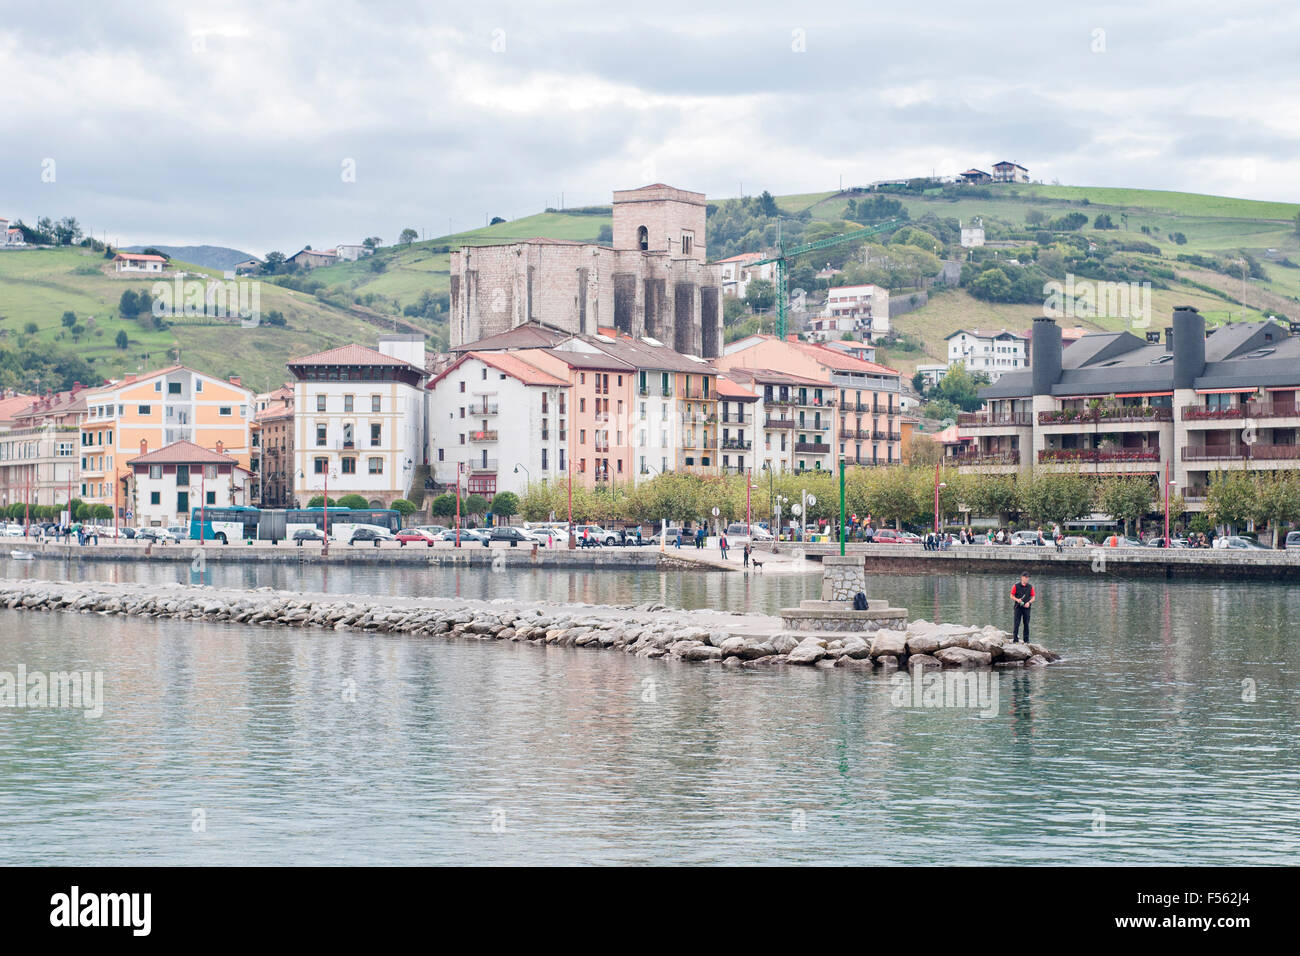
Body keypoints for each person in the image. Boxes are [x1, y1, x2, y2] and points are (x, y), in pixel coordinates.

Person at [1011, 572, 1035, 643]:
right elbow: (1011, 596)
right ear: (1022, 577)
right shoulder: (1016, 586)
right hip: (1018, 607)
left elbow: (1033, 598)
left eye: (1028, 577)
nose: (1027, 579)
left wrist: (1029, 602)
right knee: (1016, 623)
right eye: (1026, 577)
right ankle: (1015, 639)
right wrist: (1017, 600)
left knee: (1026, 624)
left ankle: (1026, 640)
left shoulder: (1030, 587)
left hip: (1027, 607)